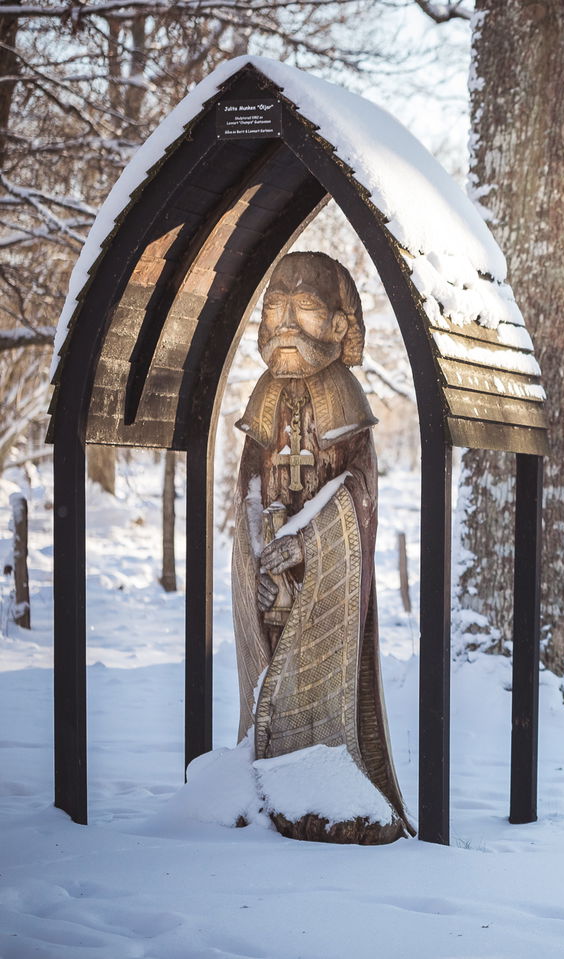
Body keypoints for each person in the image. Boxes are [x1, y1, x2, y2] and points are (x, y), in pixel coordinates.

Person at [231, 251, 409, 842]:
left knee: (326, 685)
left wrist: (310, 538)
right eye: (275, 307)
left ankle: (328, 788)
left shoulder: (342, 391)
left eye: (303, 308)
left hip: (325, 579)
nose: (284, 323)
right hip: (272, 579)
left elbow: (359, 489)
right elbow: (250, 483)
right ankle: (259, 784)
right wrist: (259, 545)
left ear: (339, 324)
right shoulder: (265, 393)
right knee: (268, 669)